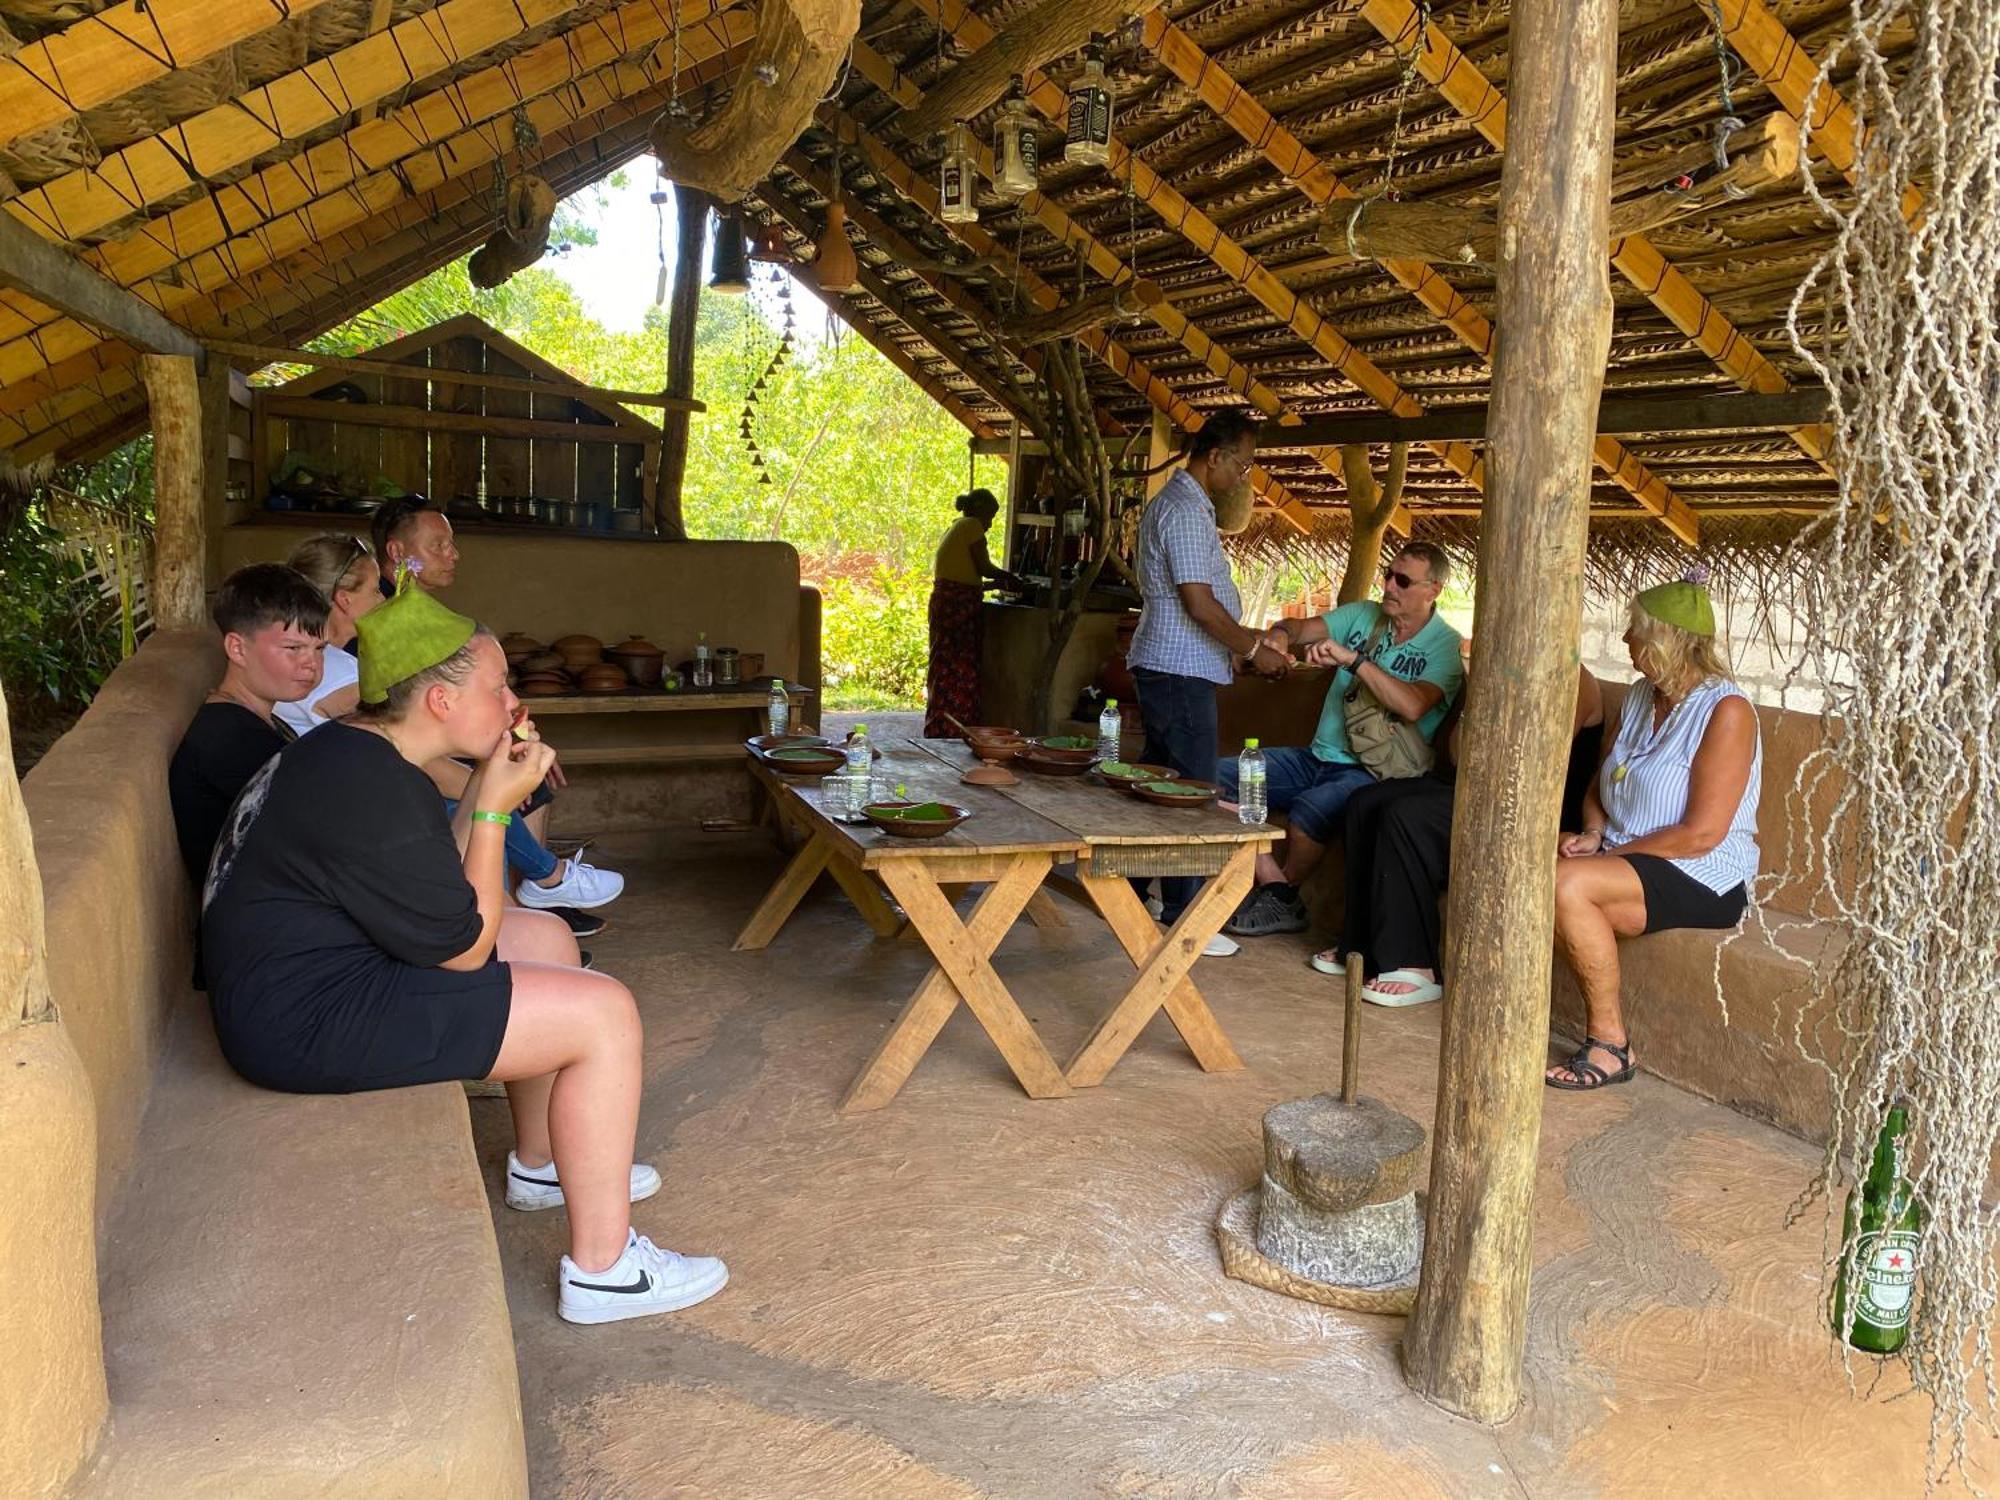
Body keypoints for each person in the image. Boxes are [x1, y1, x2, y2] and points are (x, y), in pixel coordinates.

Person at [200, 579, 727, 1324]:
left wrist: (485, 781)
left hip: (312, 975)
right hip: (301, 1023)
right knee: (605, 1015)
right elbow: (463, 952)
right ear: (441, 702)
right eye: (498, 684)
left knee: (544, 934)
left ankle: (542, 1166)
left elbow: (442, 893)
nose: (513, 703)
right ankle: (607, 1271)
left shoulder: (366, 754)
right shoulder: (369, 786)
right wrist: (491, 809)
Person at [285, 534, 619, 923]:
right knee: (462, 807)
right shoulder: (336, 680)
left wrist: (489, 775)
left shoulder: (342, 670)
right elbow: (464, 952)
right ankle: (541, 879)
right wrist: (496, 800)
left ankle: (533, 891)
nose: (383, 598)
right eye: (377, 589)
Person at [1546, 572, 1761, 1091]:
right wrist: (1595, 835)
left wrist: (1604, 859)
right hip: (1629, 859)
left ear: (1666, 640)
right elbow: (1602, 784)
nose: (1625, 641)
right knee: (1552, 881)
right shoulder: (1643, 697)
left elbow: (1701, 833)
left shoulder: (1726, 711)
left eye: (1634, 632)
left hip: (1701, 871)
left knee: (1565, 885)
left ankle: (1611, 1045)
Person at [1220, 542, 1465, 937]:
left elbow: (1414, 705)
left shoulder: (1444, 646)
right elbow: (1300, 628)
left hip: (1374, 772)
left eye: (1403, 581)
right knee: (1213, 777)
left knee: (1307, 815)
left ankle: (1279, 896)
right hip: (1315, 758)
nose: (1390, 585)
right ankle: (1279, 890)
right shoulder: (1364, 615)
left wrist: (1354, 660)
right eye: (1388, 573)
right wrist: (1281, 637)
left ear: (1433, 590)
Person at [1321, 666, 1604, 1006]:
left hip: (1533, 803)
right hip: (1480, 783)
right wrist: (1478, 701)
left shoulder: (1575, 680)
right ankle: (1361, 944)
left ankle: (1415, 963)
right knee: (1365, 803)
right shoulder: (1500, 668)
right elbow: (1459, 755)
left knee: (1407, 817)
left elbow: (1533, 762)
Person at [1126, 410, 1290, 955]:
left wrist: (1240, 644)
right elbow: (1199, 603)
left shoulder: (1181, 505)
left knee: (1154, 787)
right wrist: (1250, 648)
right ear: (1214, 456)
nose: (1243, 476)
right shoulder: (1186, 512)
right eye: (1241, 464)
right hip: (1180, 668)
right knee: (1192, 792)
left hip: (1175, 663)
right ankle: (1185, 915)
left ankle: (1128, 893)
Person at [169, 563, 328, 893]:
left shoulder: (260, 720)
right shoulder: (229, 738)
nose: (311, 663)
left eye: (319, 649)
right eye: (293, 648)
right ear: (237, 648)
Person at [923, 487, 1017, 738]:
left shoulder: (955, 527)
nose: (989, 525)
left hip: (946, 603)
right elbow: (984, 567)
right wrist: (1010, 577)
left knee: (944, 665)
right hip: (957, 608)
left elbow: (965, 578)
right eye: (990, 517)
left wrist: (993, 585)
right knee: (960, 666)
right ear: (979, 512)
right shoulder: (971, 526)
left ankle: (942, 724)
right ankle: (956, 727)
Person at [372, 496, 460, 594]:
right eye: (438, 545)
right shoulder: (373, 606)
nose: (455, 555)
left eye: (451, 543)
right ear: (396, 552)